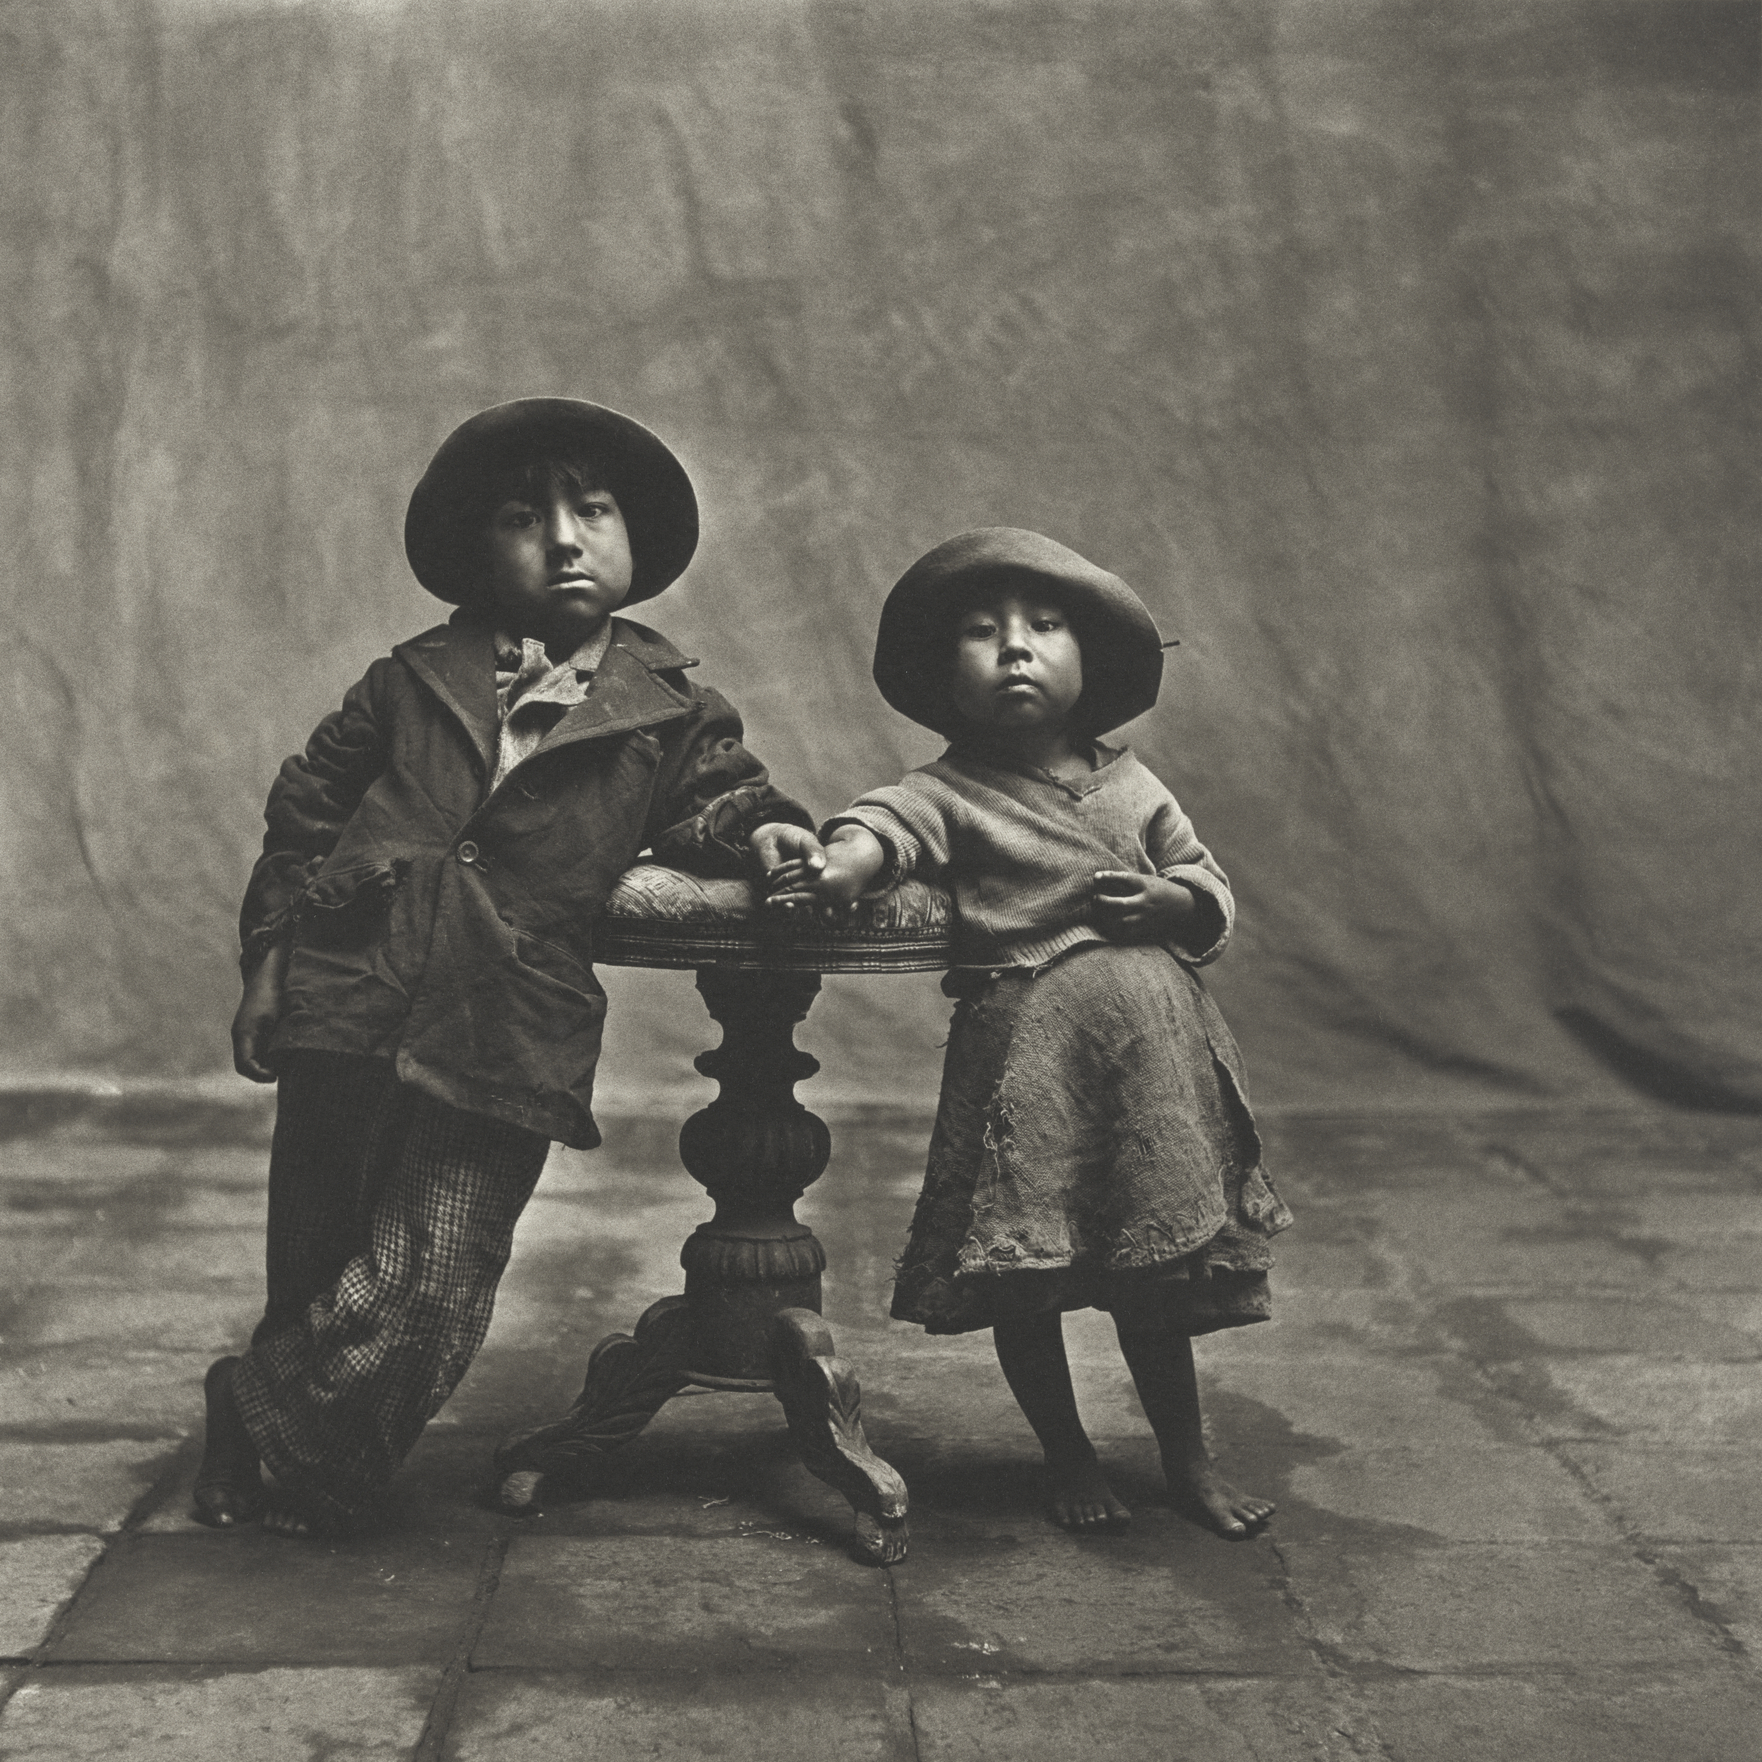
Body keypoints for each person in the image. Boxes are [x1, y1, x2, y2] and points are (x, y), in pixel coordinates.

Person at [193, 397, 810, 1536]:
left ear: (633, 539)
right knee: (321, 1244)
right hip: (352, 983)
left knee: (435, 1268)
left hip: (505, 1013)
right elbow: (305, 818)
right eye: (525, 517)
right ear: (478, 550)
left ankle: (256, 1408)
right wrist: (270, 961)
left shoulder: (668, 707)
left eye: (592, 511)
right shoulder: (408, 679)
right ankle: (286, 1443)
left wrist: (766, 832)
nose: (564, 539)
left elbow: (721, 796)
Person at [758, 528, 1291, 1538]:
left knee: (1155, 1271)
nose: (1013, 648)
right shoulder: (949, 790)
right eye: (981, 631)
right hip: (1025, 1067)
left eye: (1042, 627)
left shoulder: (1133, 786)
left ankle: (1185, 1458)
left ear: (1088, 663)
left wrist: (1173, 904)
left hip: (1150, 1072)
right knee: (1026, 1273)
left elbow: (1208, 882)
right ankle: (1068, 1454)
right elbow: (882, 823)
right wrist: (843, 862)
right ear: (938, 670)